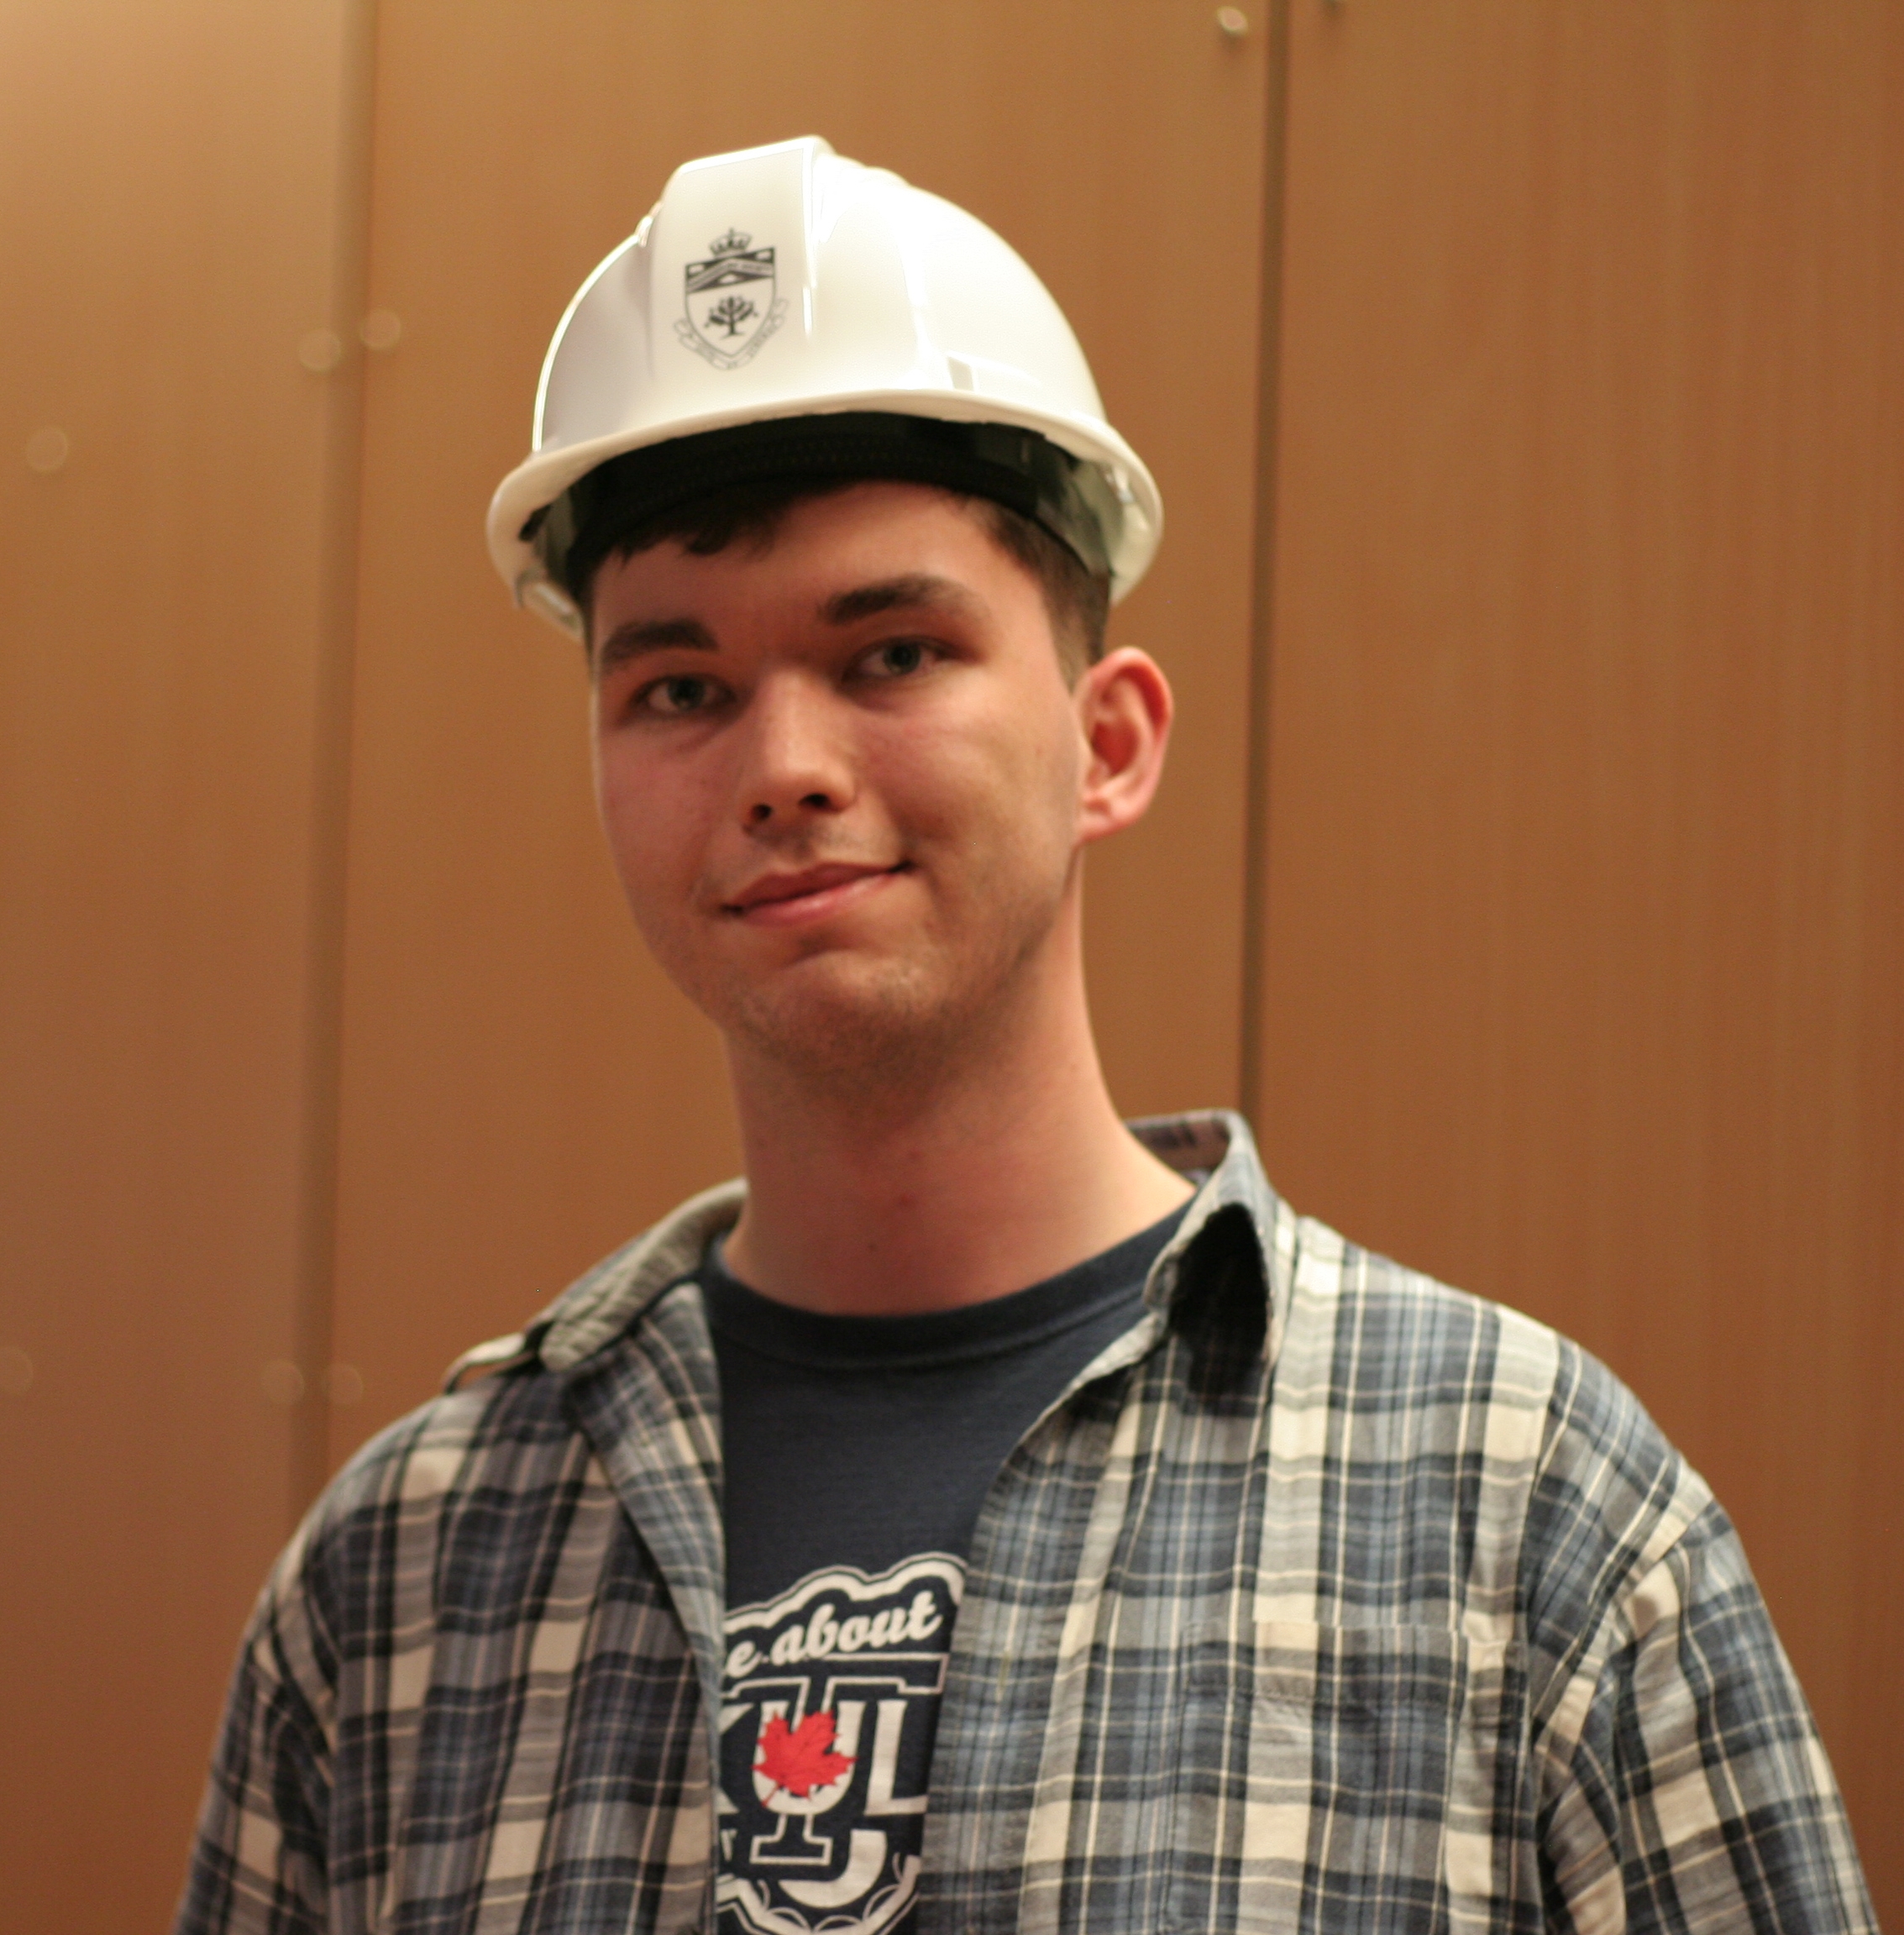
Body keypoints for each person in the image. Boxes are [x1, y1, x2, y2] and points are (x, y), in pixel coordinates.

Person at [177, 137, 1873, 1935]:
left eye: (894, 654)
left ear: (1108, 745)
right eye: (680, 687)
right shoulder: (399, 1582)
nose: (782, 769)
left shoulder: (1527, 1517)